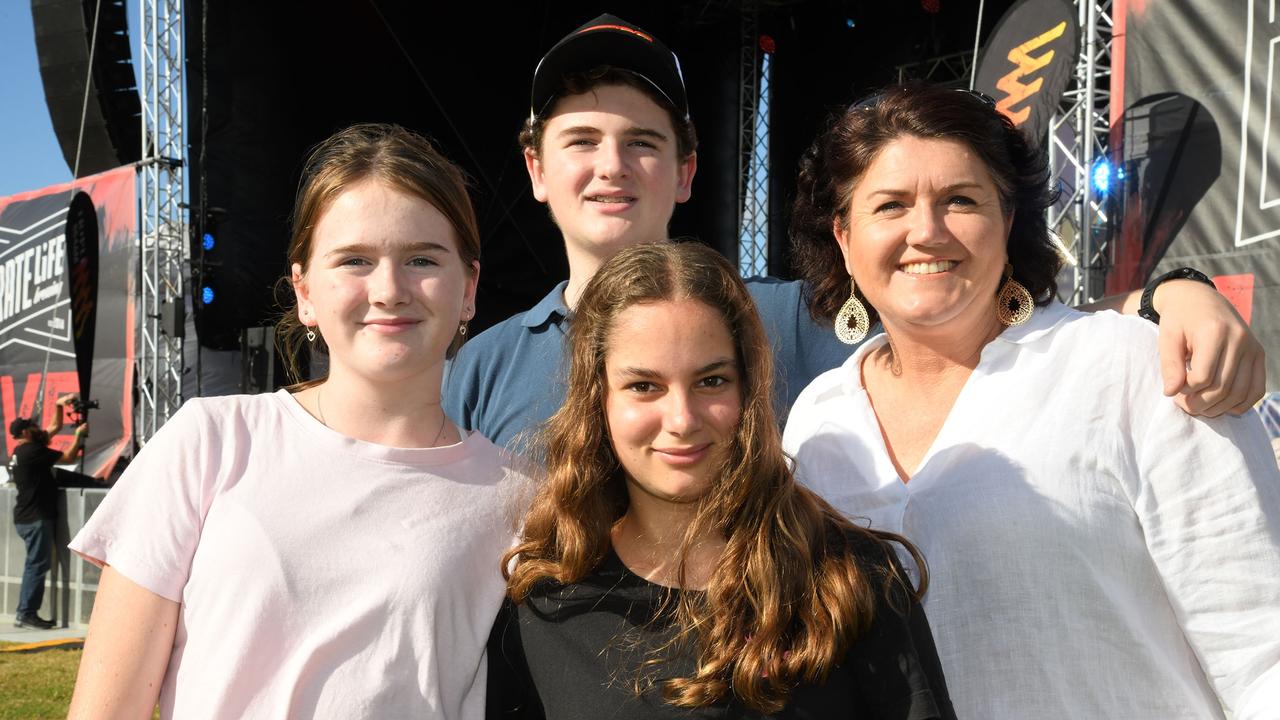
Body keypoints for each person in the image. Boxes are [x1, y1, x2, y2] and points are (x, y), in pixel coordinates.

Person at [445, 14, 1265, 451]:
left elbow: (986, 324)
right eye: (581, 142)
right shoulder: (480, 368)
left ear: (689, 172)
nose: (612, 166)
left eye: (644, 143)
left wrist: (1169, 295)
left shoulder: (779, 321)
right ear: (535, 171)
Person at [782, 83, 1280, 719]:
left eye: (960, 200)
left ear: (1007, 222)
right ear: (844, 236)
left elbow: (1261, 646)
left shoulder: (1131, 368)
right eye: (890, 206)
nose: (927, 231)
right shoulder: (817, 420)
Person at [67, 124, 528, 719]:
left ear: (468, 289)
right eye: (354, 260)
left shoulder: (519, 496)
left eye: (421, 259)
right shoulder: (209, 442)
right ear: (304, 290)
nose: (389, 289)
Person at [491, 241, 956, 719]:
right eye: (644, 386)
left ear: (748, 388)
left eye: (710, 381)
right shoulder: (547, 604)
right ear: (598, 399)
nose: (681, 418)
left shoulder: (850, 583)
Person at [8, 393, 87, 629]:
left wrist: (59, 405)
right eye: (33, 426)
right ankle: (26, 613)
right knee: (36, 565)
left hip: (27, 517)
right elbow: (69, 456)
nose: (37, 427)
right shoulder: (32, 451)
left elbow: (54, 426)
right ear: (25, 433)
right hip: (36, 518)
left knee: (34, 564)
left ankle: (25, 612)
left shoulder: (23, 450)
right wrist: (78, 436)